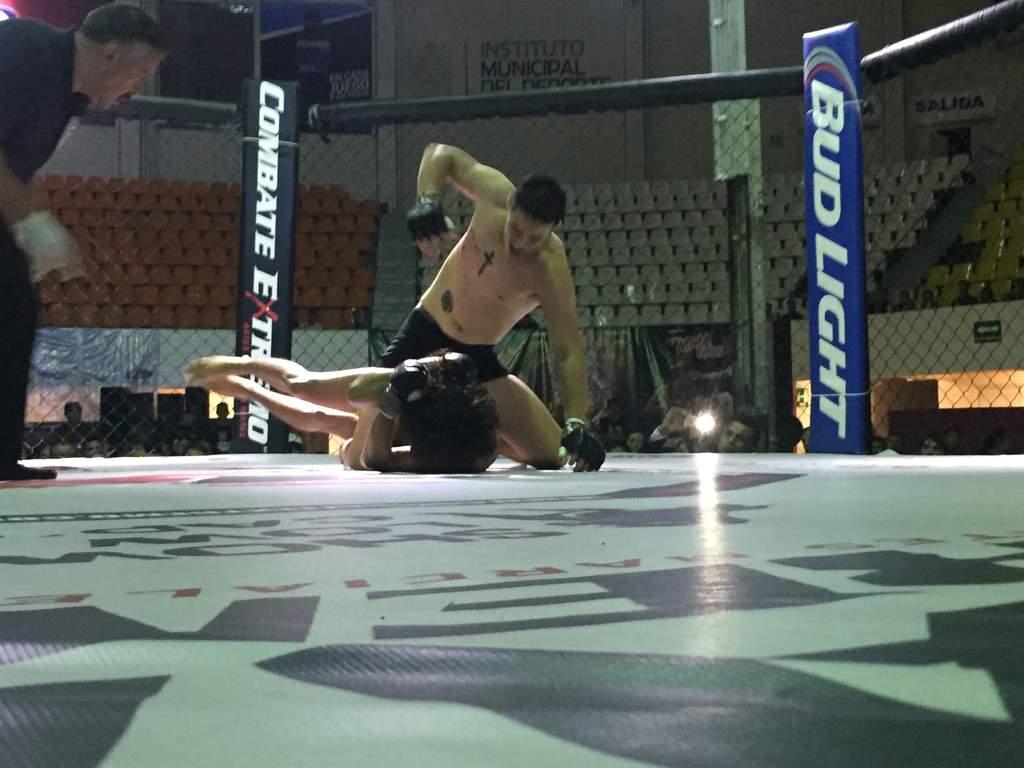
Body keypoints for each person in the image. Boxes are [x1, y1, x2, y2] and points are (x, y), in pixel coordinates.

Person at [0, 4, 166, 482]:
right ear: (110, 53)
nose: (137, 88)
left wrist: (30, 227)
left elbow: (15, 163)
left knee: (14, 305)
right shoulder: (25, 52)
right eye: (139, 71)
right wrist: (30, 221)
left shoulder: (68, 95)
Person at [395, 142, 605, 471]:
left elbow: (567, 348)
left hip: (475, 357)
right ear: (510, 205)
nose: (520, 243)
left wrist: (576, 421)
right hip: (426, 328)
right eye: (516, 229)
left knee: (553, 454)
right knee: (364, 423)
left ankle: (482, 436)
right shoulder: (494, 193)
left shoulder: (550, 269)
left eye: (534, 238)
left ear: (553, 230)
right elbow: (440, 154)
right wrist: (428, 201)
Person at [185, 352, 551, 473]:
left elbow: (374, 459)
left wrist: (389, 403)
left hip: (394, 401)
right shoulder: (484, 412)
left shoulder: (460, 454)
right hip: (410, 383)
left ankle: (248, 390)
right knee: (304, 385)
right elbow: (541, 453)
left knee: (340, 436)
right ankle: (243, 363)